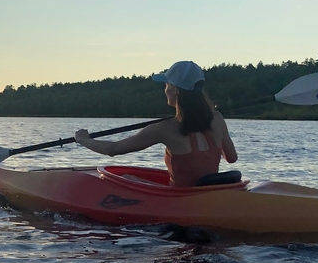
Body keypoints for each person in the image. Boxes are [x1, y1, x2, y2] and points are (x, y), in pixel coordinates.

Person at [74, 61, 238, 187]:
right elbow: (231, 158)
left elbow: (113, 149)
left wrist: (83, 140)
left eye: (166, 85)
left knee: (126, 178)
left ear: (175, 89)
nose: (165, 89)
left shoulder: (164, 129)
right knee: (131, 178)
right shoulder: (217, 119)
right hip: (207, 194)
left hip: (181, 200)